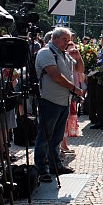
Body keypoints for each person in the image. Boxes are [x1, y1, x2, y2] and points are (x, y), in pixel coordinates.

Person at [34, 27, 82, 182]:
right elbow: (56, 76)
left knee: (57, 136)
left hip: (63, 100)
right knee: (45, 135)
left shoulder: (64, 55)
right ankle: (42, 168)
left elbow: (80, 69)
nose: (67, 43)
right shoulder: (46, 53)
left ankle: (55, 164)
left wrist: (78, 57)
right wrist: (74, 89)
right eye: (64, 40)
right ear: (55, 38)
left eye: (68, 40)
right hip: (49, 99)